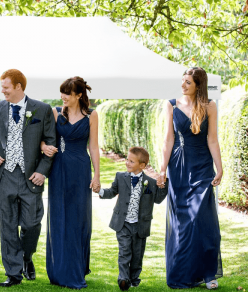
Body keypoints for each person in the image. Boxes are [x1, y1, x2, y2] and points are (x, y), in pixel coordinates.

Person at [0, 69, 56, 287]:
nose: (2, 90)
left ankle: (26, 257)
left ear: (18, 86)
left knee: (32, 224)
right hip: (4, 175)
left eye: (6, 86)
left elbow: (50, 142)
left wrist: (42, 172)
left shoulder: (41, 109)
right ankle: (13, 274)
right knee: (7, 226)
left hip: (31, 176)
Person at [157, 67, 223, 290]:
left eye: (188, 83)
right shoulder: (172, 104)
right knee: (182, 223)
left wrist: (220, 169)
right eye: (182, 81)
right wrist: (162, 169)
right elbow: (168, 140)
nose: (183, 85)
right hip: (179, 167)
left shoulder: (210, 106)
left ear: (198, 86)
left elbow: (212, 140)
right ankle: (183, 272)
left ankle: (208, 273)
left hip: (203, 166)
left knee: (203, 222)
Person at [41, 76, 100, 289]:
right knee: (59, 216)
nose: (63, 96)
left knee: (78, 218)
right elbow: (44, 137)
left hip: (81, 169)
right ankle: (59, 270)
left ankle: (77, 268)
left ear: (79, 95)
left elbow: (93, 147)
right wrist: (42, 147)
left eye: (67, 93)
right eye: (62, 92)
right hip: (59, 169)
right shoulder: (56, 112)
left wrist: (97, 175)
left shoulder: (92, 116)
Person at [98, 147, 168, 291]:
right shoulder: (120, 177)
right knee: (124, 252)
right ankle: (123, 278)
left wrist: (164, 185)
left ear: (142, 165)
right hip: (123, 224)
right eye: (127, 160)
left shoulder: (150, 183)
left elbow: (158, 199)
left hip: (140, 225)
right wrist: (100, 191)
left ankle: (134, 277)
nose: (127, 163)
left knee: (137, 254)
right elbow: (111, 192)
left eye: (131, 161)